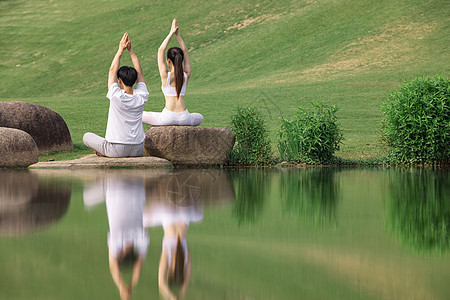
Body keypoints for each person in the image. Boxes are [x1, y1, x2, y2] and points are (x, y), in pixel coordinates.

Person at [83, 175, 149, 300]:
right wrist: (121, 286)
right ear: (121, 254)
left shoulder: (142, 239)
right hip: (112, 185)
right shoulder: (116, 241)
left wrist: (130, 286)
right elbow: (113, 267)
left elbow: (138, 266)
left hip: (138, 186)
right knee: (87, 199)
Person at [83, 33, 149, 157]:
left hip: (117, 150)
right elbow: (140, 72)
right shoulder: (141, 96)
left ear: (119, 80)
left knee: (86, 136)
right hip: (137, 149)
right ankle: (103, 151)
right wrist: (131, 51)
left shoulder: (116, 95)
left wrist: (120, 50)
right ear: (135, 81)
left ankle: (103, 152)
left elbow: (112, 70)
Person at [142, 19, 203, 126]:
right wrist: (178, 35)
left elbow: (160, 50)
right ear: (182, 60)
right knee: (199, 117)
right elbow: (185, 51)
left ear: (168, 61)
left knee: (140, 114)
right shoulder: (186, 75)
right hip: (185, 117)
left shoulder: (166, 75)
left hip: (168, 117)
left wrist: (171, 32)